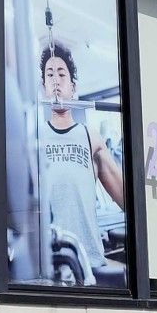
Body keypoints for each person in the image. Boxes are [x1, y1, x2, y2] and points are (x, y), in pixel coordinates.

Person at [38, 42, 125, 285]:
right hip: (50, 265)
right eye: (50, 75)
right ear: (43, 88)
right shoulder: (34, 137)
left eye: (61, 74)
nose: (56, 81)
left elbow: (127, 199)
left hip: (89, 265)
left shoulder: (90, 138)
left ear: (73, 88)